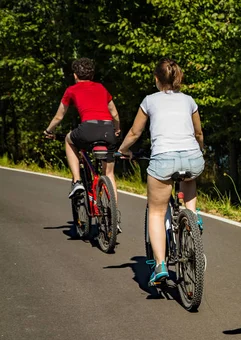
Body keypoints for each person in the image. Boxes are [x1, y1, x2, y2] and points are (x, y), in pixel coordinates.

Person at [117, 58, 205, 285]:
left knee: (156, 211)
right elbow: (198, 133)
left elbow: (135, 133)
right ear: (179, 78)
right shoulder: (189, 101)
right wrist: (200, 151)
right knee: (189, 179)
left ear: (156, 79)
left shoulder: (149, 101)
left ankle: (160, 265)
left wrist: (122, 150)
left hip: (163, 160)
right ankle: (192, 219)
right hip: (192, 158)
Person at [44, 57, 121, 200]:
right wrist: (116, 129)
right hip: (108, 130)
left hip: (87, 129)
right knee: (109, 174)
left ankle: (77, 181)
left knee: (69, 139)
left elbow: (59, 117)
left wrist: (48, 131)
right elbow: (114, 113)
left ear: (75, 75)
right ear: (92, 75)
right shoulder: (101, 88)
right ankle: (114, 219)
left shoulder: (71, 90)